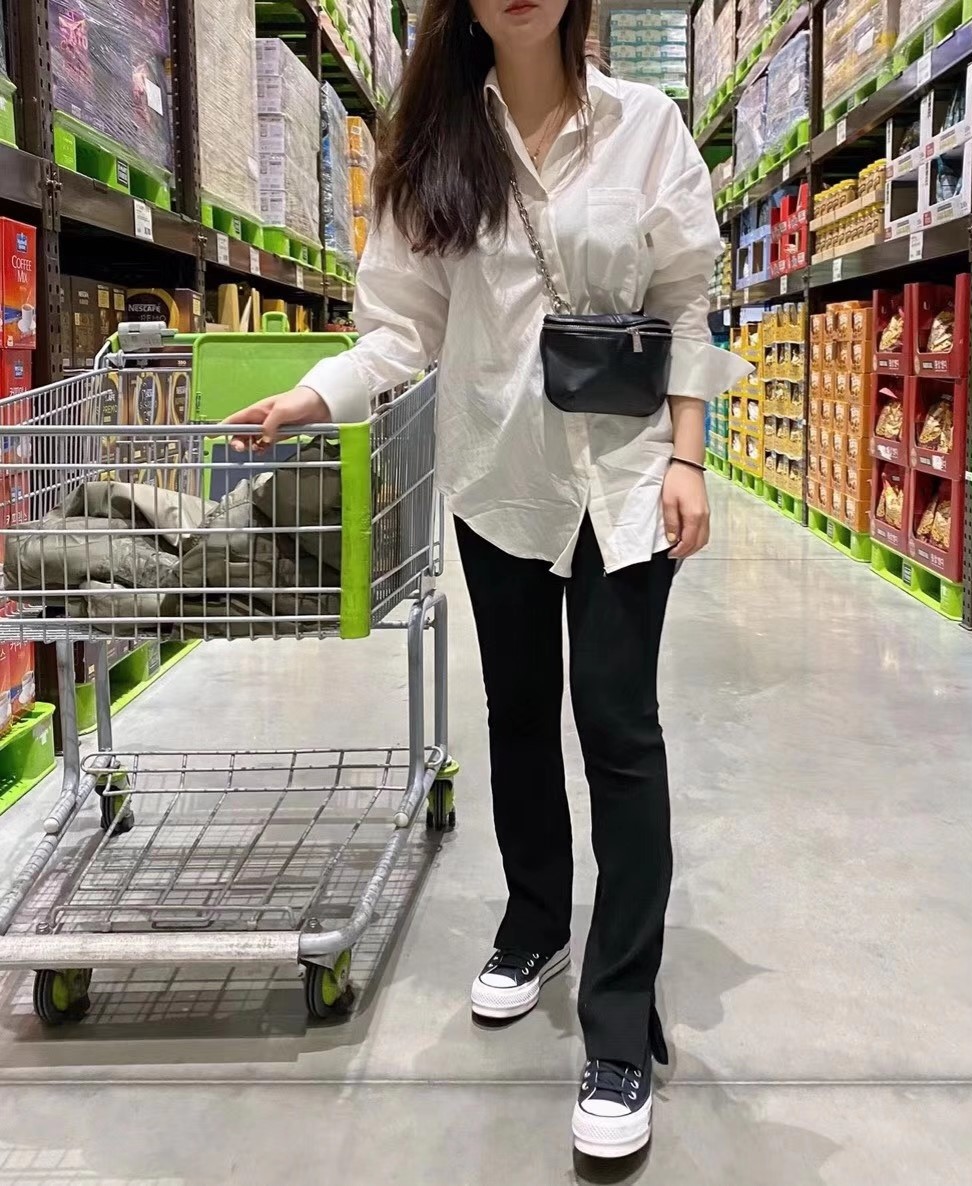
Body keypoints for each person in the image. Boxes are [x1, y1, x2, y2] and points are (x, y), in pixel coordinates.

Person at [225, 0, 749, 1160]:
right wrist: (315, 395)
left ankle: (620, 1025)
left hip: (623, 482)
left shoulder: (646, 125)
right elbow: (399, 327)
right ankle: (534, 920)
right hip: (499, 479)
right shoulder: (432, 146)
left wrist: (689, 457)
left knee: (619, 727)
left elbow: (685, 301)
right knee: (517, 711)